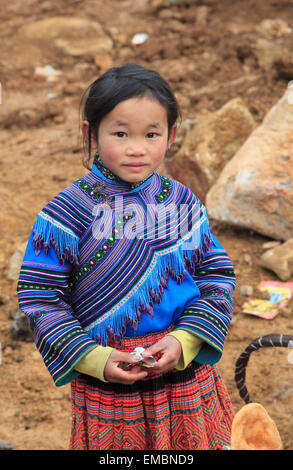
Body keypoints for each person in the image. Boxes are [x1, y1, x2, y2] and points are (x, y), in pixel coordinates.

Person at [17, 63, 236, 450]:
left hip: (186, 376)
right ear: (91, 133)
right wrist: (93, 357)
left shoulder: (183, 204)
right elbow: (39, 295)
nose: (137, 148)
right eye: (120, 133)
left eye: (151, 134)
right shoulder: (66, 214)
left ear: (171, 136)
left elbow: (215, 275)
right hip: (112, 383)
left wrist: (186, 340)